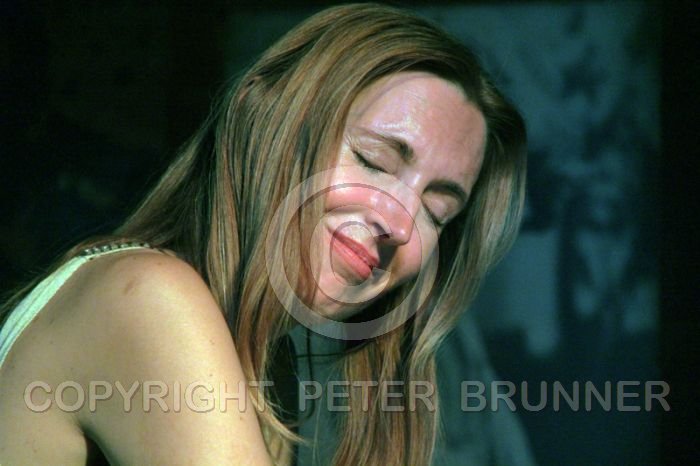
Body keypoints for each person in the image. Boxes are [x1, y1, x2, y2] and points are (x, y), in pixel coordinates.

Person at [0, 3, 526, 465]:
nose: (401, 224)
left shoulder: (272, 366)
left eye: (436, 212)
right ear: (267, 123)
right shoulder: (148, 298)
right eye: (374, 161)